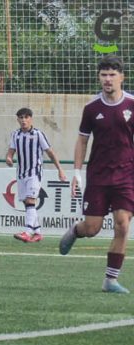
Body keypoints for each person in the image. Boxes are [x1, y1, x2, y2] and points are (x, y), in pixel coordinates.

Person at [60, 56, 134, 294]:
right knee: (92, 229)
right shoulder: (92, 108)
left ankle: (110, 280)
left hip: (126, 175)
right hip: (99, 176)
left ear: (122, 77)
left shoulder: (132, 104)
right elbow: (82, 140)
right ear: (99, 77)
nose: (107, 79)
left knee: (122, 225)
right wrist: (77, 173)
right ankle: (76, 230)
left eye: (112, 75)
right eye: (104, 75)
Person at [6, 108, 66, 243]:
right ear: (18, 120)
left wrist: (60, 169)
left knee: (30, 200)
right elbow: (10, 151)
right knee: (27, 203)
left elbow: (50, 152)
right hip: (21, 174)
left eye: (26, 117)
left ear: (31, 119)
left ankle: (27, 232)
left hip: (34, 173)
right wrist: (9, 158)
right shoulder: (15, 135)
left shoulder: (38, 134)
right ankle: (37, 232)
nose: (23, 120)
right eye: (21, 118)